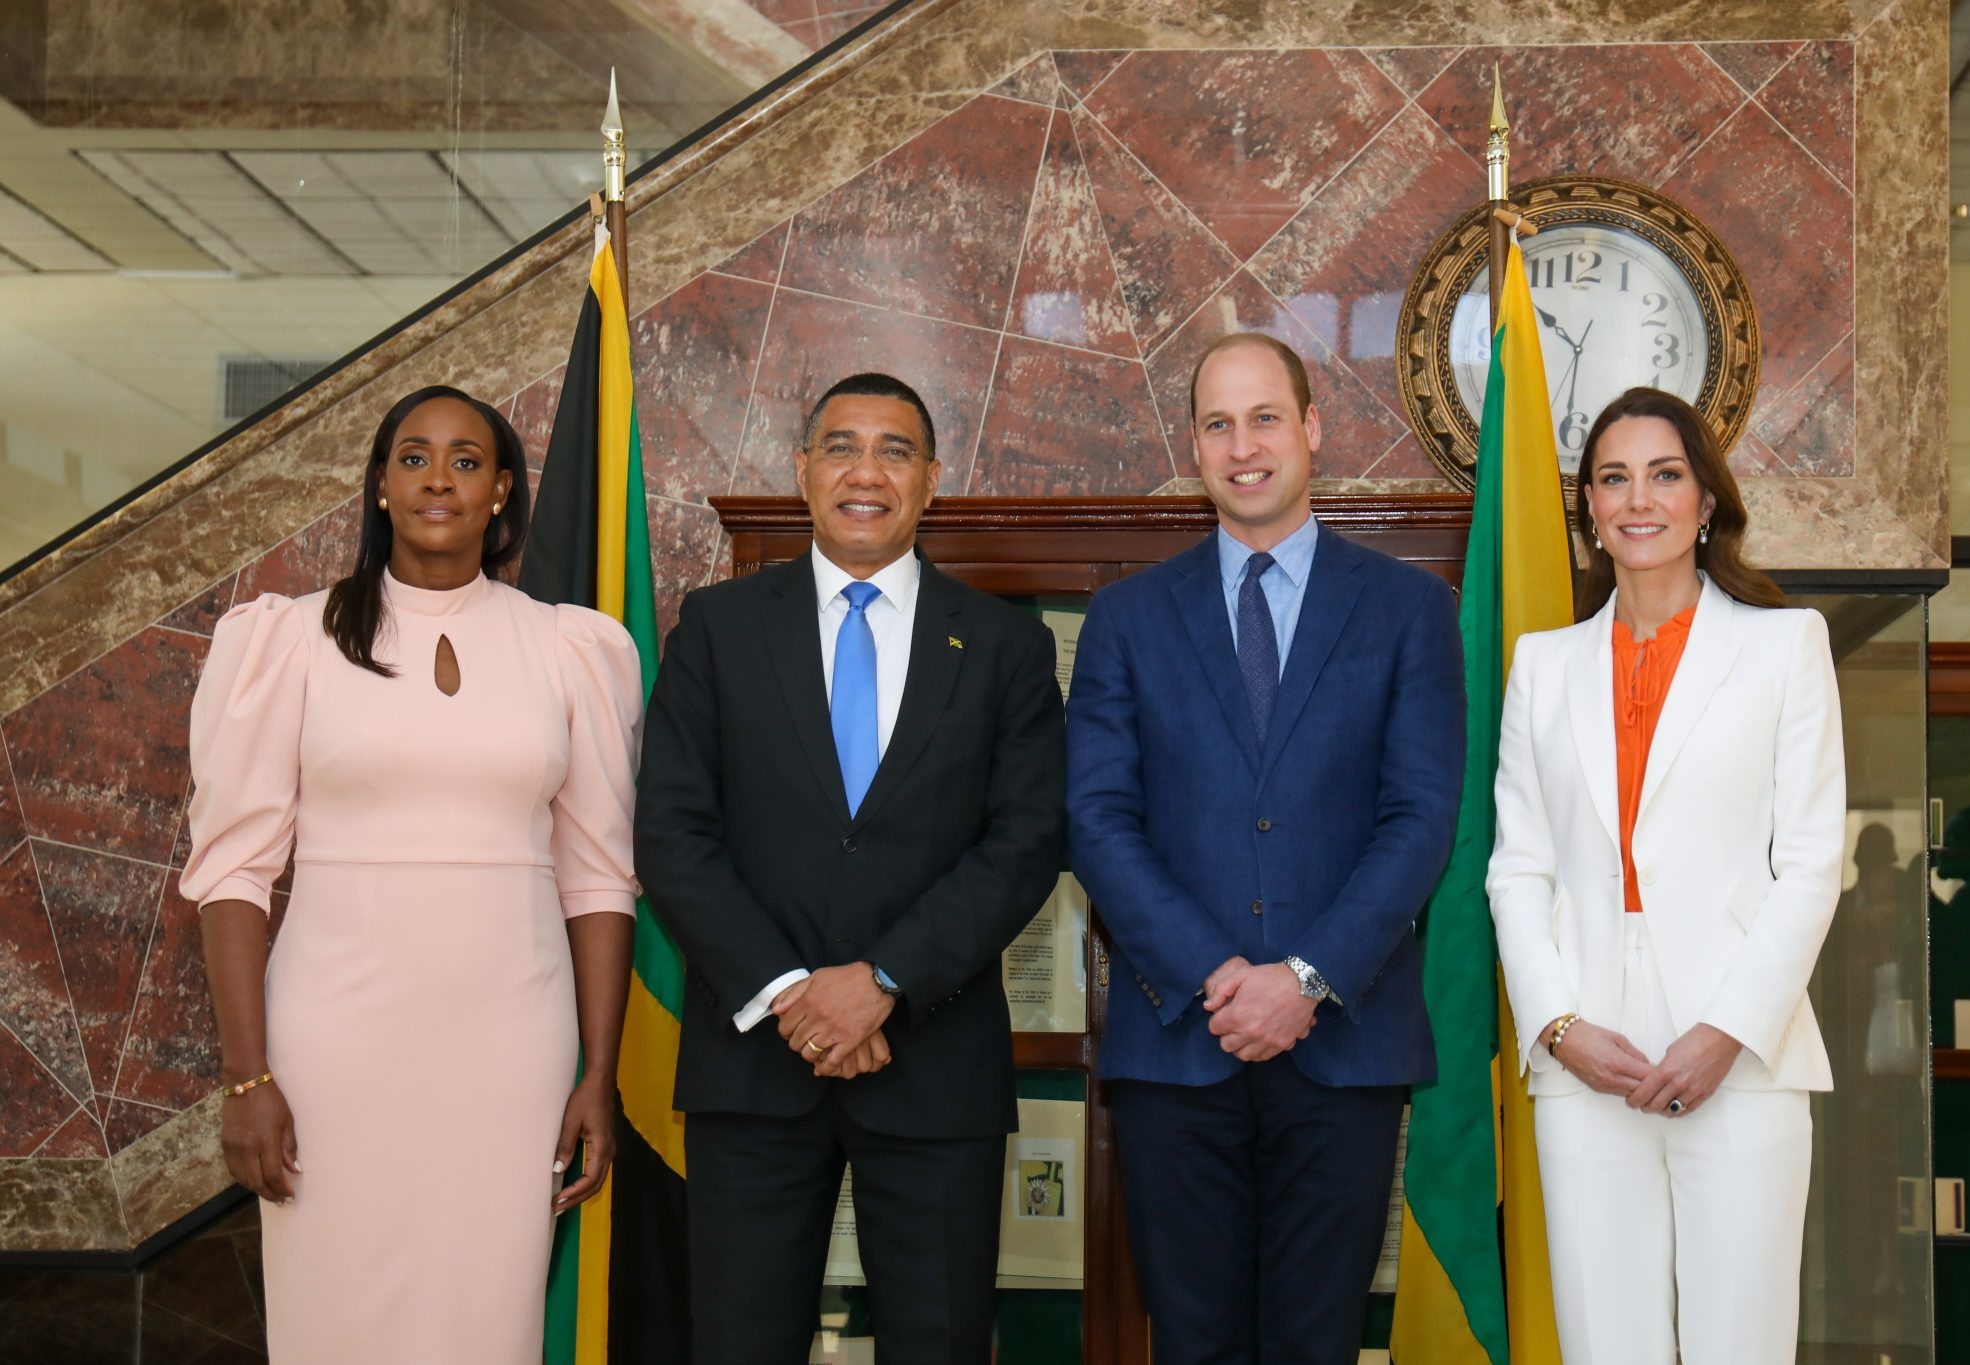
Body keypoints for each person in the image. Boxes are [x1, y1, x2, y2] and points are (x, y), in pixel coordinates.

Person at [180, 385, 642, 1362]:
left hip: (513, 1044)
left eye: (467, 460)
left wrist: (596, 1075)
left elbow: (599, 879)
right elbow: (234, 873)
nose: (440, 477)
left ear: (502, 491)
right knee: (335, 1312)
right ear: (381, 486)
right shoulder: (287, 641)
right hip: (332, 1042)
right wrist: (243, 1076)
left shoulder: (570, 648)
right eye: (415, 457)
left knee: (487, 1314)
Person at [635, 372, 1066, 1365]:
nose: (864, 472)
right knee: (739, 1342)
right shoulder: (718, 627)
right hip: (754, 1065)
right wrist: (795, 995)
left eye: (893, 450)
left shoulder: (1004, 644)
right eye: (839, 447)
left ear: (929, 482)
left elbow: (1025, 840)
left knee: (939, 1343)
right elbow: (670, 831)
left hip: (933, 1061)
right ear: (801, 472)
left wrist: (878, 984)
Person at [1064, 333, 1465, 1363]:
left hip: (1342, 1044)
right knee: (1190, 1341)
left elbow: (1418, 817)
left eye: (1263, 418)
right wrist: (1215, 975)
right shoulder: (1123, 619)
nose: (1241, 445)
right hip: (1175, 1047)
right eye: (1215, 423)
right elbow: (1097, 819)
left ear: (1311, 431)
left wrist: (1305, 979)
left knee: (1314, 1340)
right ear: (1192, 448)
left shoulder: (1410, 609)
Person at [1489, 386, 1844, 1365]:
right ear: (1590, 512)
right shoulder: (1540, 665)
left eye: (1662, 474)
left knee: (1740, 1344)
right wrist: (1555, 1028)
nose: (1636, 499)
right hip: (1584, 1060)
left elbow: (1811, 864)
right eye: (1612, 478)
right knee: (1607, 1347)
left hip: (1739, 1054)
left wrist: (1729, 1028)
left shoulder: (1783, 647)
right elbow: (1515, 869)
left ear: (1703, 501)